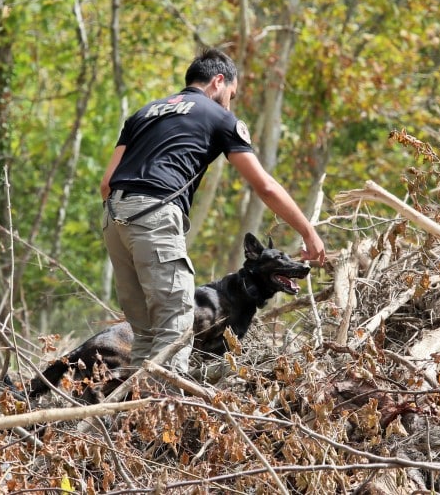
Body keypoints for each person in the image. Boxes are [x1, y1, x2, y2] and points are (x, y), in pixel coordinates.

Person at [99, 48, 325, 376]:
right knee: (175, 328)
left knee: (145, 334)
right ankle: (165, 419)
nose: (230, 103)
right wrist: (308, 231)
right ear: (218, 81)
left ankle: (136, 419)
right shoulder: (219, 117)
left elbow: (107, 183)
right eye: (231, 94)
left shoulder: (143, 113)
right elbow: (265, 187)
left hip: (114, 219)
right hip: (154, 215)